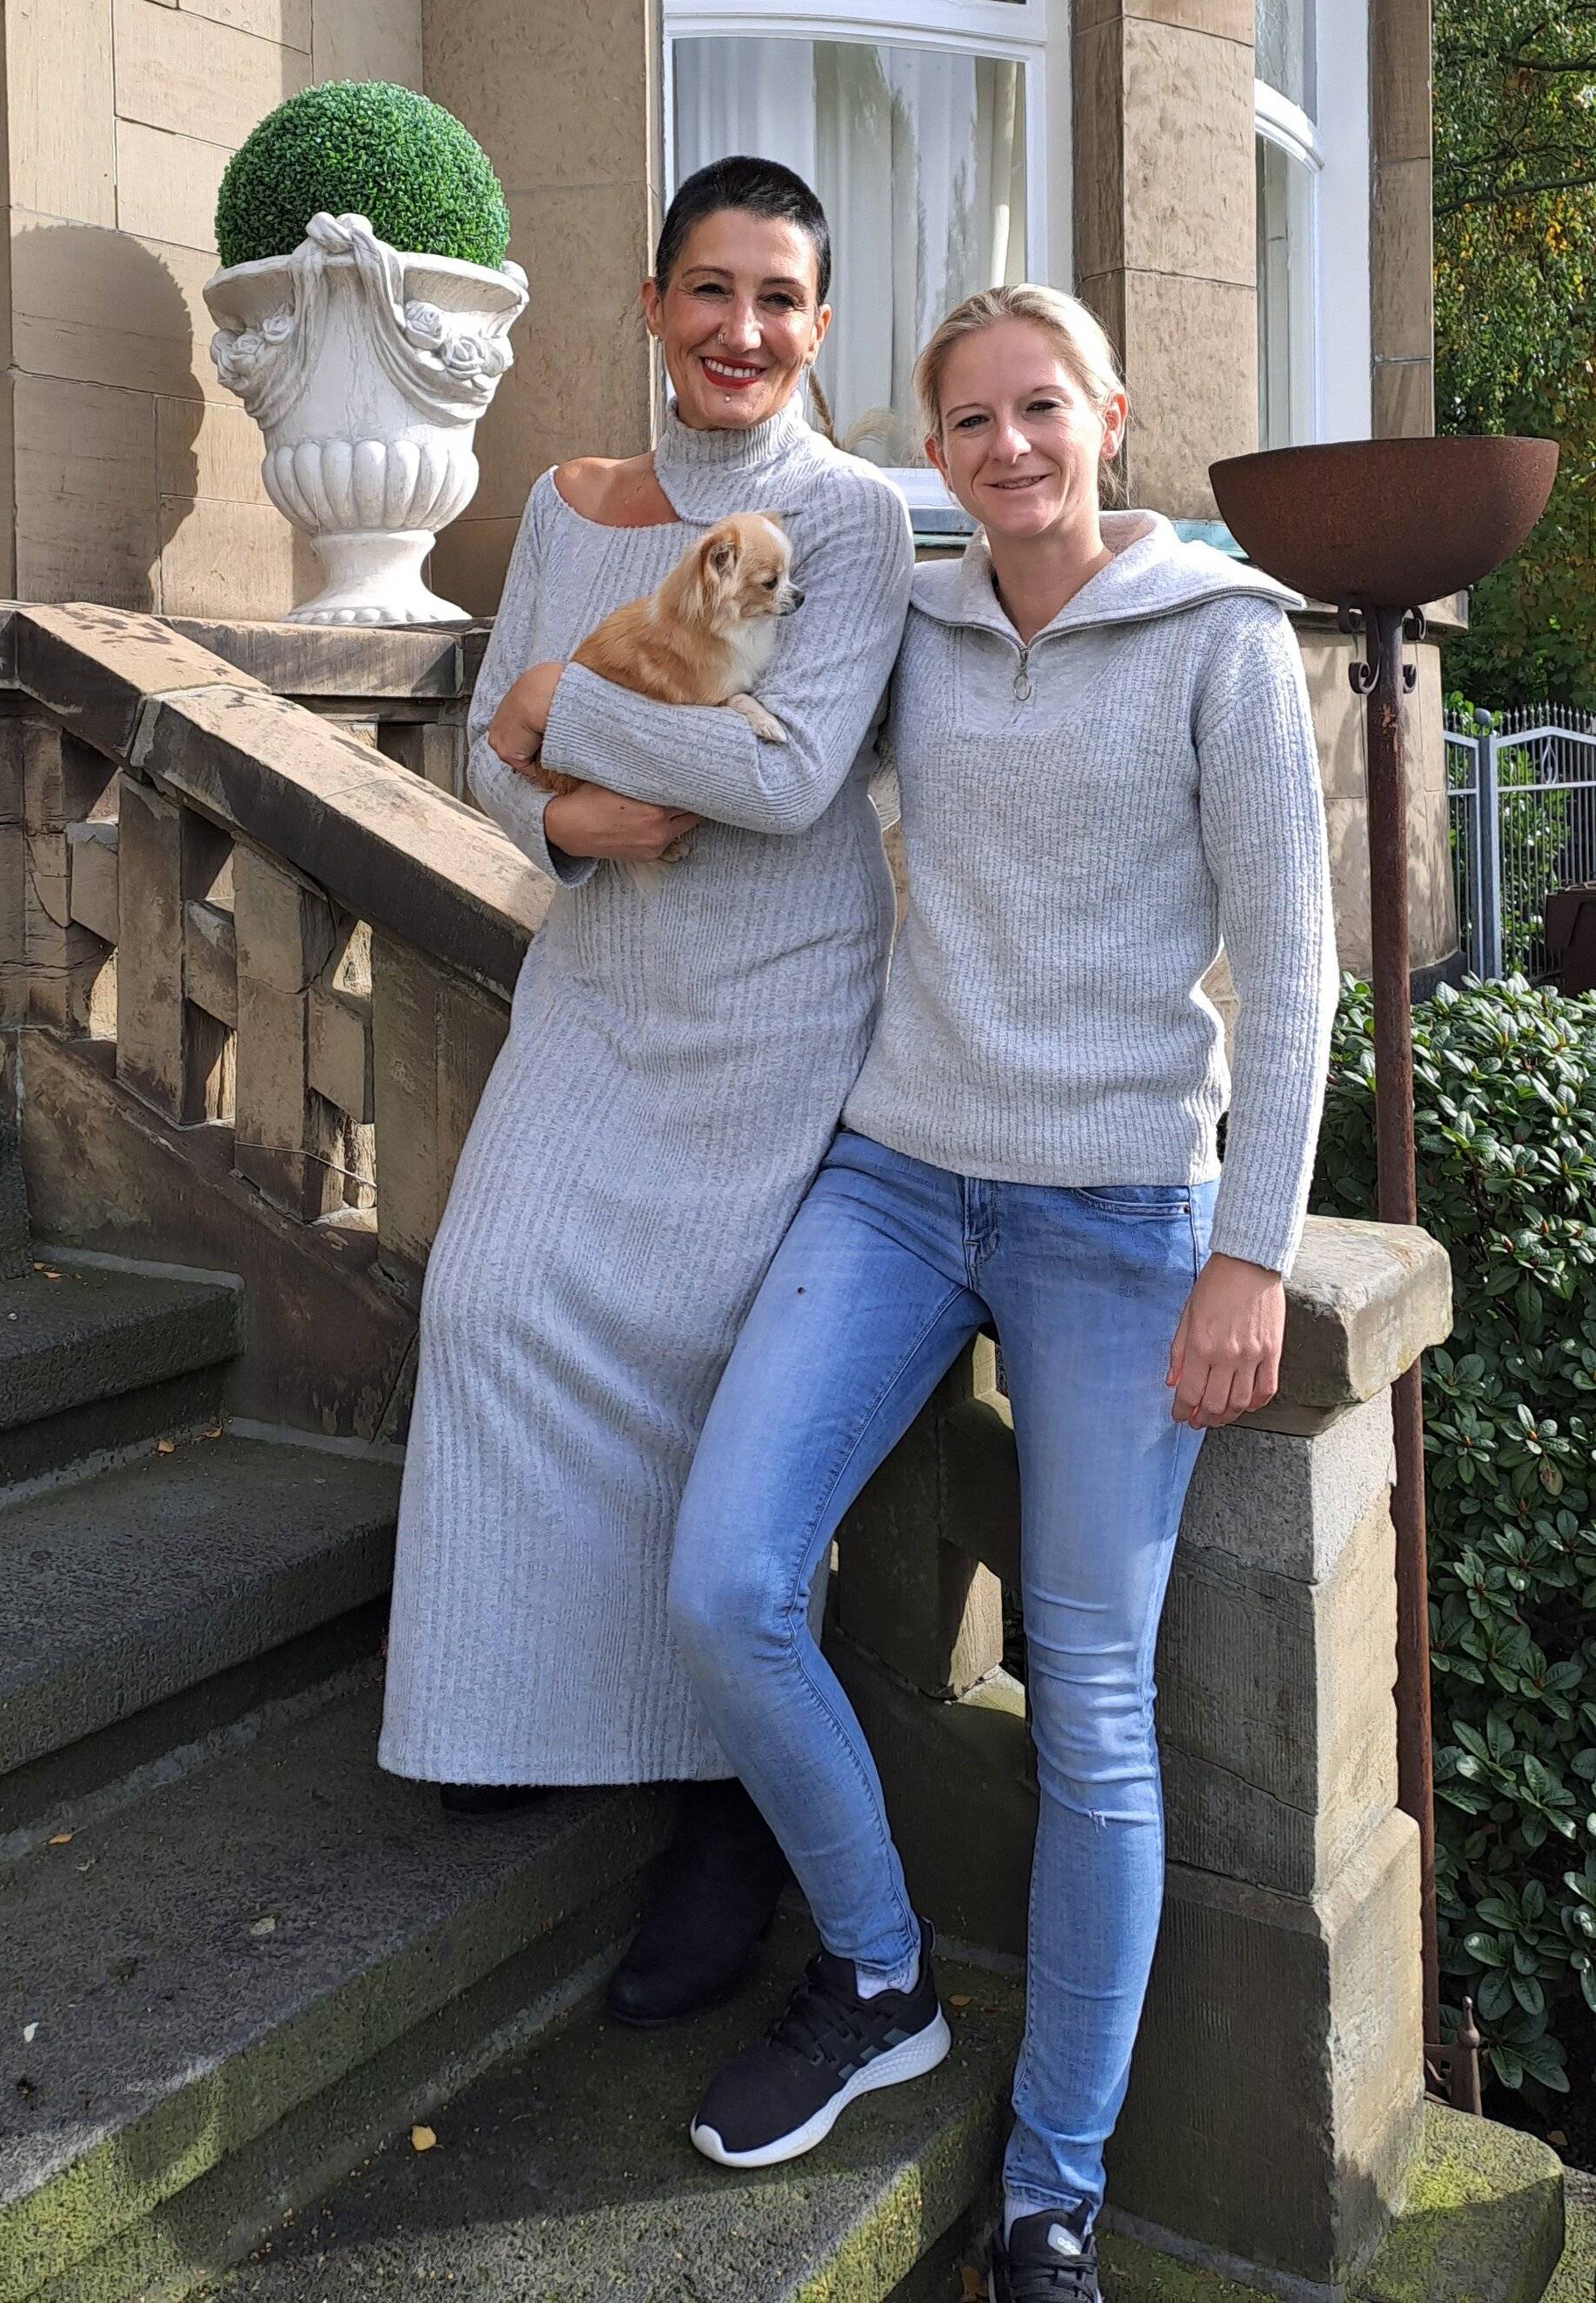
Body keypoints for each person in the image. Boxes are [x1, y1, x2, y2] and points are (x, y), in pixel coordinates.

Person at [668, 283, 1336, 2302]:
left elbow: (1293, 973)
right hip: (898, 1174)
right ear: (933, 450)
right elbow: (751, 711)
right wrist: (565, 740)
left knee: (1096, 1713)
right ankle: (880, 1974)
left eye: (1040, 407)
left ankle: (1052, 2191)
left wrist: (1254, 1250)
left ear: (1108, 417)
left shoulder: (1225, 638)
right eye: (968, 421)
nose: (1009, 446)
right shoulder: (928, 624)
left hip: (1121, 1212)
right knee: (721, 1575)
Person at [378, 155, 915, 2027]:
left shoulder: (851, 517)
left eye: (779, 297)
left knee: (713, 1372)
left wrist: (556, 712)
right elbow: (484, 763)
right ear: (653, 304)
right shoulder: (566, 500)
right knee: (491, 1296)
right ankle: (524, 1695)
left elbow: (782, 774)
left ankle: (727, 1806)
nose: (742, 328)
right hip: (600, 982)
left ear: (819, 327)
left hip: (775, 1004)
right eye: (710, 287)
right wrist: (548, 792)